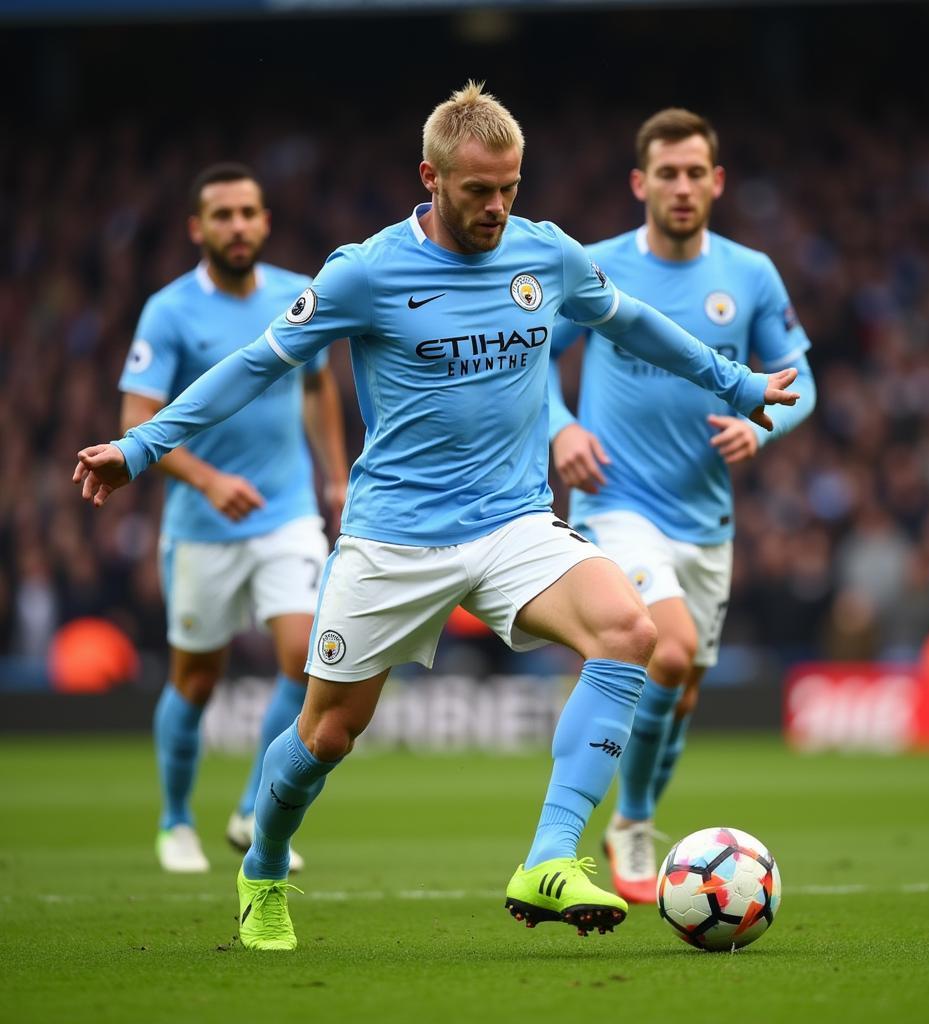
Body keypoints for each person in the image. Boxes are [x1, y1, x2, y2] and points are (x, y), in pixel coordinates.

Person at [75, 83, 800, 950]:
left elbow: (637, 324)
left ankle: (550, 856)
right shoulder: (366, 271)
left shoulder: (548, 256)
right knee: (328, 734)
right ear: (431, 177)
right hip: (393, 539)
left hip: (513, 524)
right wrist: (143, 447)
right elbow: (253, 365)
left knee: (628, 631)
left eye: (510, 188)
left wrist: (741, 384)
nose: (496, 208)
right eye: (477, 191)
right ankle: (264, 864)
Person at [548, 108, 816, 903]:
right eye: (667, 172)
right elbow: (528, 364)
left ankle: (638, 812)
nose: (682, 185)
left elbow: (800, 377)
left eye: (696, 171)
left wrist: (761, 429)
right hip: (615, 503)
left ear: (717, 181)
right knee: (667, 650)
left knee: (684, 683)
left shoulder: (750, 274)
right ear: (640, 183)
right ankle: (629, 821)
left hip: (705, 520)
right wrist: (561, 429)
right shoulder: (595, 267)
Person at [118, 163, 348, 874]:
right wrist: (210, 480)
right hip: (202, 525)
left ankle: (253, 810)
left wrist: (335, 477)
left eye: (249, 213)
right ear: (198, 228)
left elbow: (317, 388)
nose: (238, 226)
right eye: (223, 216)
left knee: (306, 657)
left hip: (285, 514)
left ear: (266, 220)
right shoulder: (169, 310)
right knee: (196, 679)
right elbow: (136, 421)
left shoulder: (294, 294)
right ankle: (175, 821)